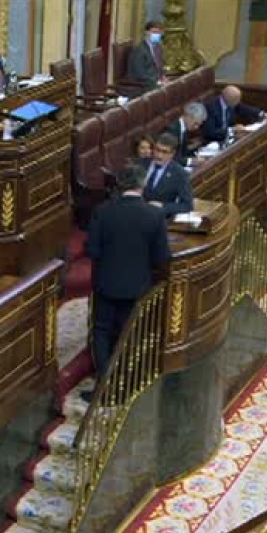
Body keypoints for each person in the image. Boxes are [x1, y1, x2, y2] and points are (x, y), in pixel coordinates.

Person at [84, 163, 171, 396]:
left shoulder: (102, 211)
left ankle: (104, 387)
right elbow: (161, 257)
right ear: (142, 185)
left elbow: (92, 250)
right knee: (130, 333)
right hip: (137, 287)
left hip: (106, 284)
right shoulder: (154, 215)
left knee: (102, 332)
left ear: (120, 185)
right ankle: (125, 386)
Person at [141, 133, 193, 216]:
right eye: (157, 150)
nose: (159, 155)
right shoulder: (141, 164)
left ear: (172, 154)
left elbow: (187, 206)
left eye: (164, 152)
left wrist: (163, 206)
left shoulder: (180, 174)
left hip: (159, 218)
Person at [202, 85, 267, 143]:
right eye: (236, 100)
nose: (238, 102)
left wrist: (262, 114)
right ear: (227, 99)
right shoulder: (211, 107)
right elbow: (210, 133)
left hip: (229, 138)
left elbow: (244, 109)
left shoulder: (232, 102)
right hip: (213, 142)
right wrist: (232, 130)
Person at [126, 21, 166, 94]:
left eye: (159, 33)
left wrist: (163, 77)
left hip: (155, 82)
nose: (157, 35)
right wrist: (157, 81)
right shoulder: (139, 50)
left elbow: (160, 67)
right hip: (142, 85)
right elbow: (139, 74)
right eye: (154, 32)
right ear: (147, 33)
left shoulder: (158, 48)